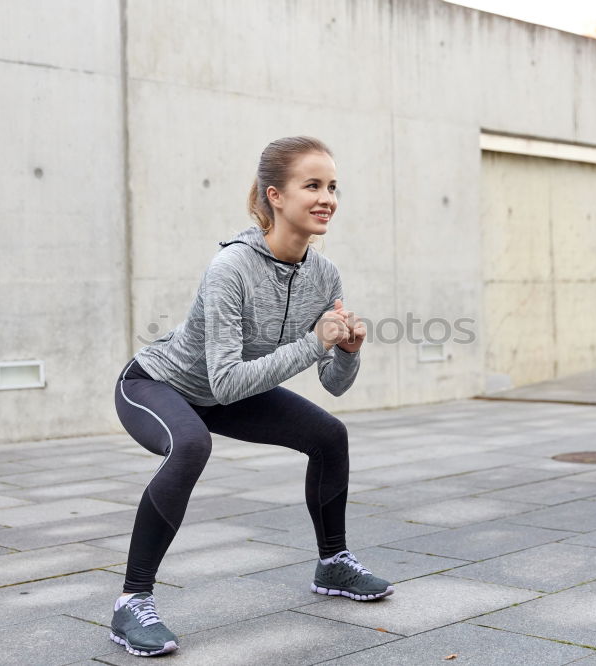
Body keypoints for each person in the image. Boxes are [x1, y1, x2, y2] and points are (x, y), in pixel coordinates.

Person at [110, 136, 393, 657]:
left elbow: (334, 382)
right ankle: (132, 601)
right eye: (312, 185)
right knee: (191, 445)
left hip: (226, 392)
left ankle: (333, 562)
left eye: (332, 186)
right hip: (155, 384)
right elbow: (225, 383)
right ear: (275, 196)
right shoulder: (231, 269)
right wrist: (314, 344)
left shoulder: (324, 274)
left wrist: (347, 351)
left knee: (330, 435)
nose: (327, 197)